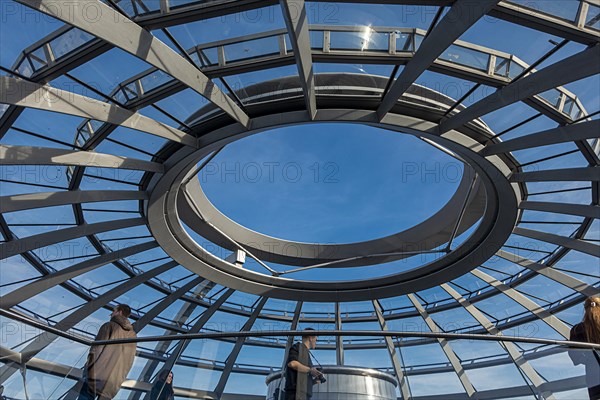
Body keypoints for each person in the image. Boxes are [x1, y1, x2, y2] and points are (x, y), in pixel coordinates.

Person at [78, 304, 137, 400]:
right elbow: (129, 362)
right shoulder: (133, 336)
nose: (111, 314)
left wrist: (88, 369)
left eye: (113, 311)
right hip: (113, 382)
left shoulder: (108, 326)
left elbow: (96, 350)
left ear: (119, 312)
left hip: (96, 377)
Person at [569, 296, 600, 400]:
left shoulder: (577, 329)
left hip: (594, 377)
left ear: (585, 309)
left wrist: (589, 360)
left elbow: (574, 355)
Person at [284, 328, 323, 400]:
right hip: (296, 394)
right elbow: (292, 364)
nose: (316, 342)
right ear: (311, 338)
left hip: (302, 395)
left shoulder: (305, 352)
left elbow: (301, 377)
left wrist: (313, 381)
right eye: (316, 340)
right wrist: (310, 370)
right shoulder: (298, 347)